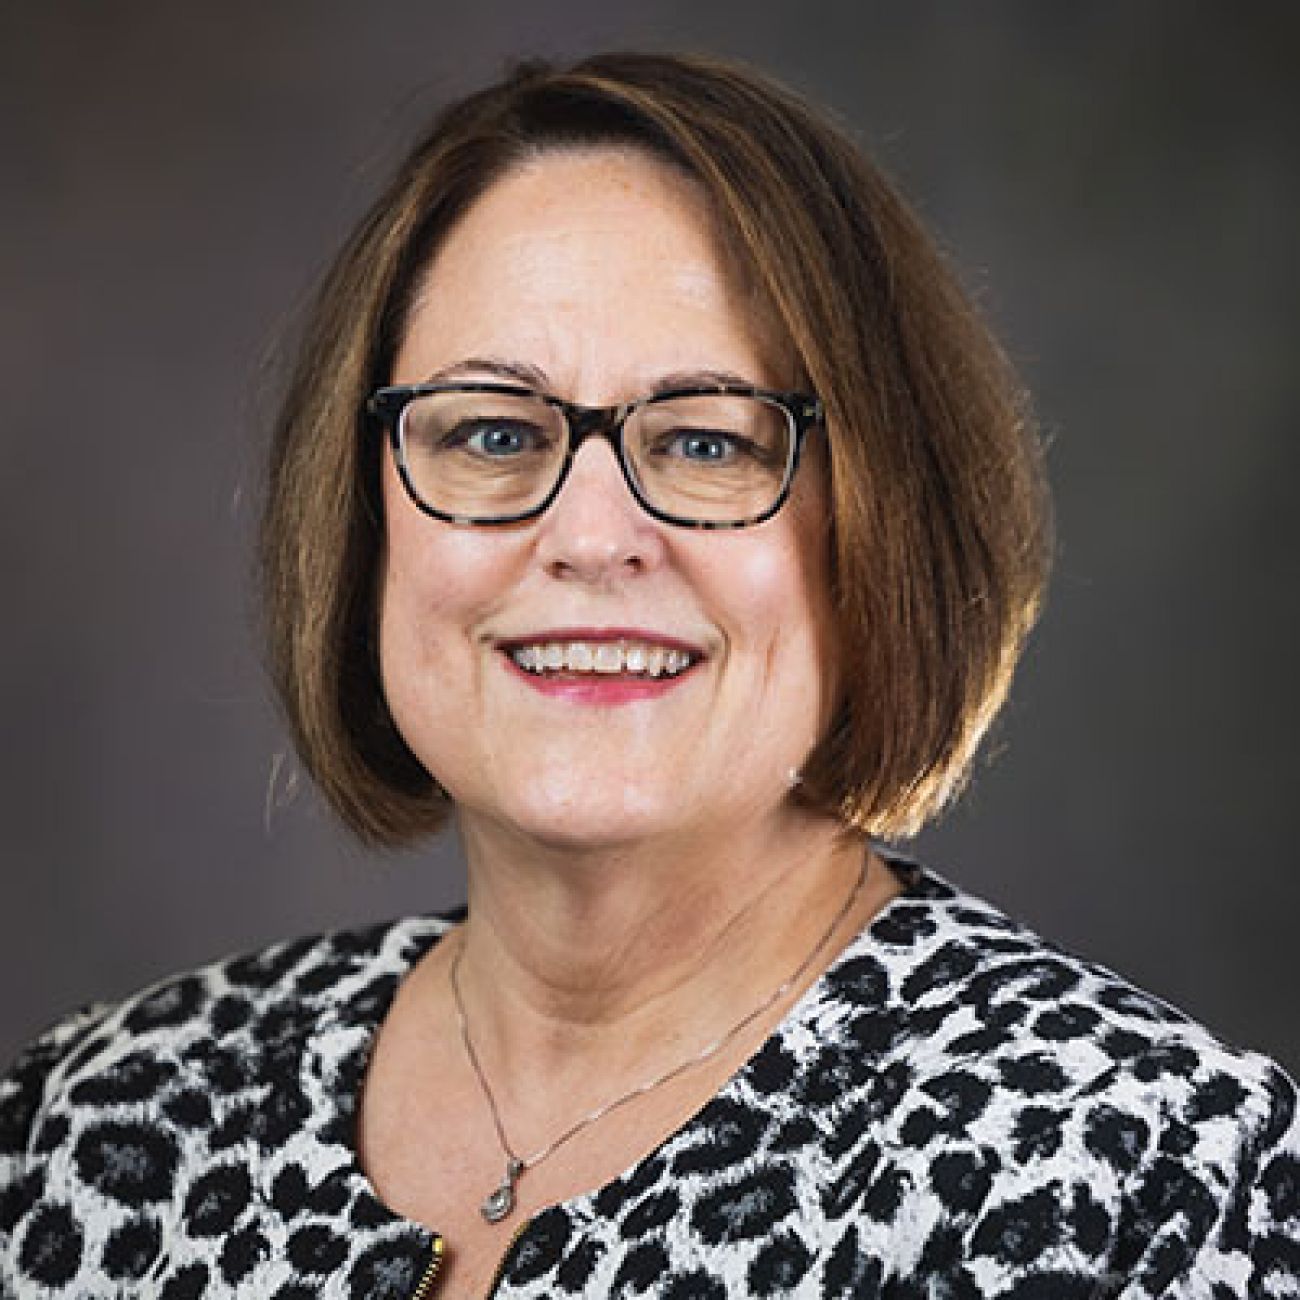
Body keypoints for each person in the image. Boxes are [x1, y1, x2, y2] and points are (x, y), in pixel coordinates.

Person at [1, 50, 1296, 1299]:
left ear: (884, 523)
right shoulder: (92, 1126)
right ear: (363, 513)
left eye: (707, 444)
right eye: (494, 432)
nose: (591, 537)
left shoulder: (1147, 1178)